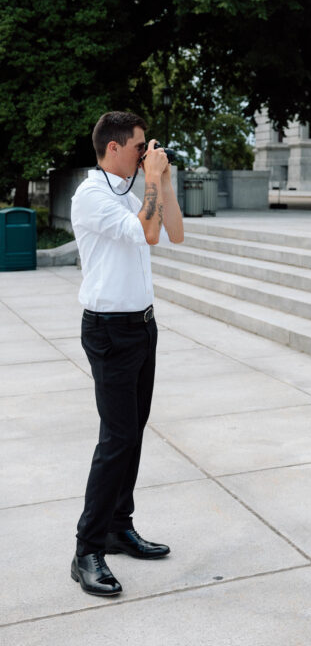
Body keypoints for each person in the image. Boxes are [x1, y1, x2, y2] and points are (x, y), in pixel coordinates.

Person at [70, 111, 184, 596]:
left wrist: (166, 183)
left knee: (132, 431)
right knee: (115, 438)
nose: (145, 153)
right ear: (113, 148)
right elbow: (149, 233)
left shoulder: (128, 192)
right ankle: (86, 550)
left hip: (142, 326)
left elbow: (174, 231)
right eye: (140, 147)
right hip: (109, 331)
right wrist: (152, 180)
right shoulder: (91, 195)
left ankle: (119, 526)